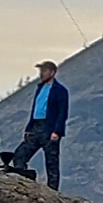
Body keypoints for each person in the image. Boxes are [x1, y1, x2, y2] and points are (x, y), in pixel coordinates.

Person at [11, 59, 70, 189]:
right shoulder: (40, 88)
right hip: (36, 127)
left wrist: (57, 131)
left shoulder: (60, 91)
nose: (41, 74)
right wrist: (28, 128)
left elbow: (62, 112)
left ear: (52, 72)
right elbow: (35, 109)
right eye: (41, 71)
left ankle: (52, 192)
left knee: (52, 162)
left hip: (49, 129)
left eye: (44, 71)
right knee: (20, 155)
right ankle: (23, 185)